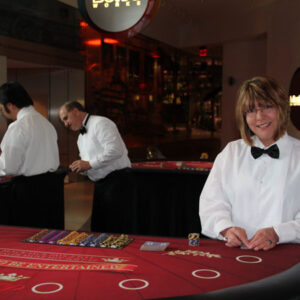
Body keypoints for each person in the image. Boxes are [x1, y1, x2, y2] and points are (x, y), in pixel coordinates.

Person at [199, 76, 300, 251]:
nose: (260, 117)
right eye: (251, 110)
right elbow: (211, 202)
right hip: (235, 256)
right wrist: (226, 229)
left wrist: (279, 233)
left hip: (288, 257)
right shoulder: (231, 152)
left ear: (281, 108)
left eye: (267, 107)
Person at [59, 101, 131, 181]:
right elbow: (90, 165)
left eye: (66, 118)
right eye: (63, 122)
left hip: (118, 179)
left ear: (76, 111)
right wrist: (80, 167)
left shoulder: (100, 123)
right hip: (100, 184)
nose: (65, 124)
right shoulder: (80, 138)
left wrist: (89, 164)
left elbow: (116, 150)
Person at [0, 81, 59, 176]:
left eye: (1, 109)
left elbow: (8, 167)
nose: (2, 113)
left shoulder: (18, 127)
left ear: (10, 106)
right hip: (52, 186)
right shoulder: (47, 124)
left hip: (28, 187)